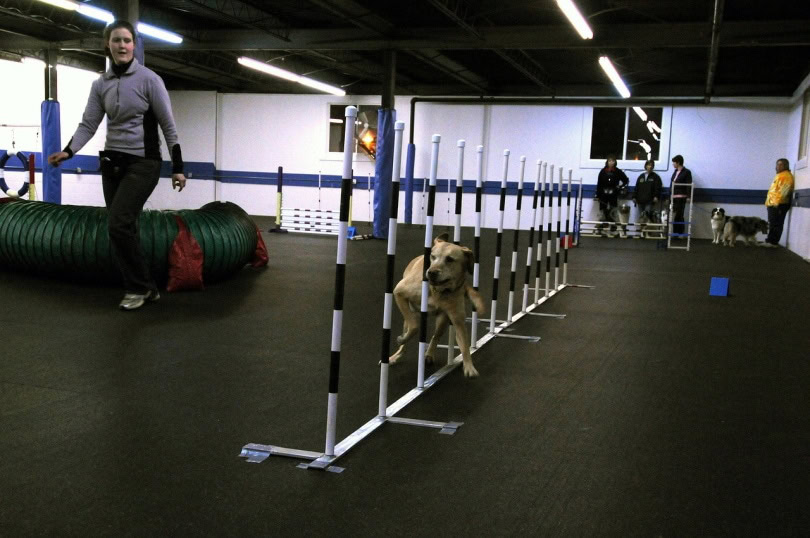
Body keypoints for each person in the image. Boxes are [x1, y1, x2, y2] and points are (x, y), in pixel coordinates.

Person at [48, 20, 187, 310]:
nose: (122, 45)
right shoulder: (100, 85)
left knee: (118, 223)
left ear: (134, 45)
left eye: (127, 40)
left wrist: (178, 167)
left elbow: (168, 126)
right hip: (112, 162)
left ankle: (137, 288)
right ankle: (147, 288)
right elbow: (89, 124)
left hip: (144, 162)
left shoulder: (150, 80)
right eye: (116, 40)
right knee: (124, 227)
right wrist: (68, 151)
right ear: (107, 45)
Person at [763, 158, 794, 248]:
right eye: (777, 164)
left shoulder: (786, 176)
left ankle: (773, 242)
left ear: (786, 166)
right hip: (773, 204)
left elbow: (784, 191)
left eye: (781, 164)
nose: (778, 166)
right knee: (772, 223)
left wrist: (777, 204)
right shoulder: (780, 175)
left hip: (778, 204)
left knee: (776, 223)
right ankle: (770, 241)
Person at [595, 155, 629, 237]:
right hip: (603, 195)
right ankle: (601, 229)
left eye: (613, 161)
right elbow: (599, 184)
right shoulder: (603, 171)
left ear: (615, 162)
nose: (611, 162)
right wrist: (598, 195)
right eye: (609, 161)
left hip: (613, 194)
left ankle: (613, 229)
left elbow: (626, 180)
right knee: (602, 212)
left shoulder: (618, 171)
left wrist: (619, 187)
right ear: (607, 162)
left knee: (613, 212)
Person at [669, 155, 692, 237]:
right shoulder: (675, 172)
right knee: (674, 215)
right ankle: (675, 232)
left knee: (679, 215)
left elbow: (688, 185)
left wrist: (688, 196)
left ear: (678, 162)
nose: (673, 164)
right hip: (673, 196)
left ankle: (680, 233)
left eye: (674, 162)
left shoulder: (687, 172)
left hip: (681, 197)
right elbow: (672, 184)